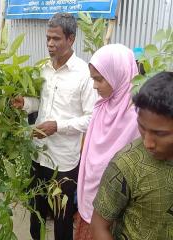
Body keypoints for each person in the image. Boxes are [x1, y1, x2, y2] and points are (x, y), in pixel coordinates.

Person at [12, 13, 97, 240]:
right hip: (38, 154)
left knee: (61, 218)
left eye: (56, 39)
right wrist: (26, 104)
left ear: (71, 39)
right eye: (48, 38)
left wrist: (57, 126)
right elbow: (41, 103)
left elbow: (91, 117)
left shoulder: (84, 74)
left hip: (64, 161)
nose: (50, 43)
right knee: (36, 212)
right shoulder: (43, 69)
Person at [91, 71, 173, 240]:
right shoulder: (126, 165)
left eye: (160, 134)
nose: (148, 143)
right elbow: (99, 226)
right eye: (142, 128)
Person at [75, 44, 140, 240]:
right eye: (93, 79)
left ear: (118, 74)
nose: (95, 86)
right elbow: (89, 155)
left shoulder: (137, 116)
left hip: (117, 207)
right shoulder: (101, 107)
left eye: (99, 79)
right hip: (90, 198)